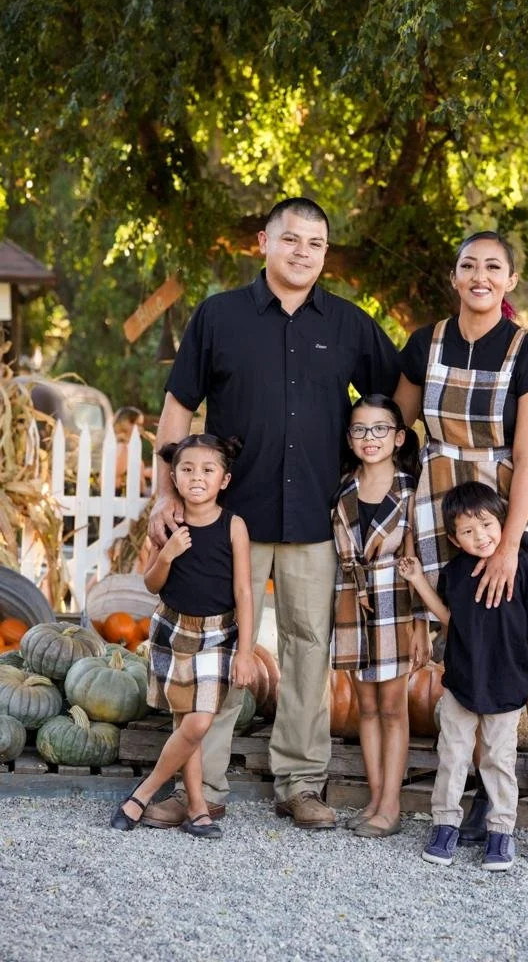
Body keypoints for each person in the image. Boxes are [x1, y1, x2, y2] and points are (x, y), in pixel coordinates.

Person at [143, 197, 401, 831]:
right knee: (219, 642)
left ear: (325, 253)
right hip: (229, 518)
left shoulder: (349, 325)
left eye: (315, 244)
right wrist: (163, 493)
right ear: (264, 241)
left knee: (310, 650)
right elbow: (178, 409)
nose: (302, 253)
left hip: (317, 514)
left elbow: (396, 400)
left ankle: (301, 783)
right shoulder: (219, 317)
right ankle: (202, 785)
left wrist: (378, 469)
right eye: (291, 240)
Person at [393, 230, 528, 868]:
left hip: (507, 504)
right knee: (470, 642)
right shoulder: (425, 343)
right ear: (454, 276)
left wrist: (508, 547)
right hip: (442, 502)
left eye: (493, 267)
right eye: (469, 264)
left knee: (525, 646)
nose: (480, 275)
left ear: (508, 282)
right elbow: (397, 431)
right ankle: (478, 801)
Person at [400, 482, 528, 870]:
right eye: (467, 530)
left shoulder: (523, 569)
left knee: (498, 759)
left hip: (507, 682)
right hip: (462, 681)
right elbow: (450, 621)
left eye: (487, 524)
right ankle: (444, 825)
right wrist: (417, 582)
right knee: (453, 756)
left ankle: (500, 833)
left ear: (503, 523)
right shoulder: (454, 574)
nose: (480, 536)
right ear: (453, 538)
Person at [111, 433, 255, 839]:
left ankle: (143, 792)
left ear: (223, 480)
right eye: (188, 470)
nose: (197, 477)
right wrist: (168, 553)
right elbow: (152, 583)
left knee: (197, 723)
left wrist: (245, 651)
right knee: (184, 722)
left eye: (208, 470)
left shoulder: (234, 526)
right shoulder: (171, 525)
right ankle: (196, 808)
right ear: (173, 476)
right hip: (172, 631)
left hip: (217, 636)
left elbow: (245, 592)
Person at [331, 394, 430, 838]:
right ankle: (373, 798)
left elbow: (418, 561)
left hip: (395, 604)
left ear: (399, 437)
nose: (369, 438)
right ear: (349, 438)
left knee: (393, 707)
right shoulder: (343, 488)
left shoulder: (410, 490)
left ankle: (391, 804)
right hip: (352, 601)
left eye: (380, 429)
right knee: (364, 707)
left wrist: (423, 624)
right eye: (359, 429)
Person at [113, 406, 153, 493]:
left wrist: (145, 472)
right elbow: (117, 473)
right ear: (126, 423)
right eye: (138, 424)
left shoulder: (127, 446)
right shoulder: (122, 447)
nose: (141, 429)